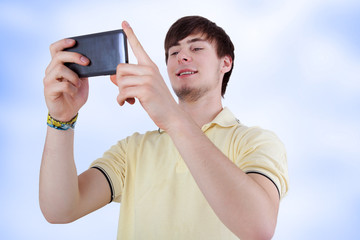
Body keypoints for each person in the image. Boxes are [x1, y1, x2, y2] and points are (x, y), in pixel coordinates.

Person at [40, 16, 289, 240]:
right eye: (173, 53)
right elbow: (60, 209)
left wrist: (171, 116)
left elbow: (258, 227)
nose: (182, 56)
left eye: (196, 47)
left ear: (225, 63)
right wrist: (61, 120)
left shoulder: (256, 142)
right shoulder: (132, 150)